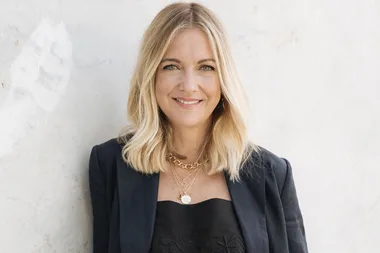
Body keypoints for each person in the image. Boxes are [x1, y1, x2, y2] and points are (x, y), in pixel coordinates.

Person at [89, 2, 308, 253]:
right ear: (151, 74)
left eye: (206, 67)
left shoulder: (271, 174)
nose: (189, 85)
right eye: (171, 66)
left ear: (223, 78)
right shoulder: (110, 165)